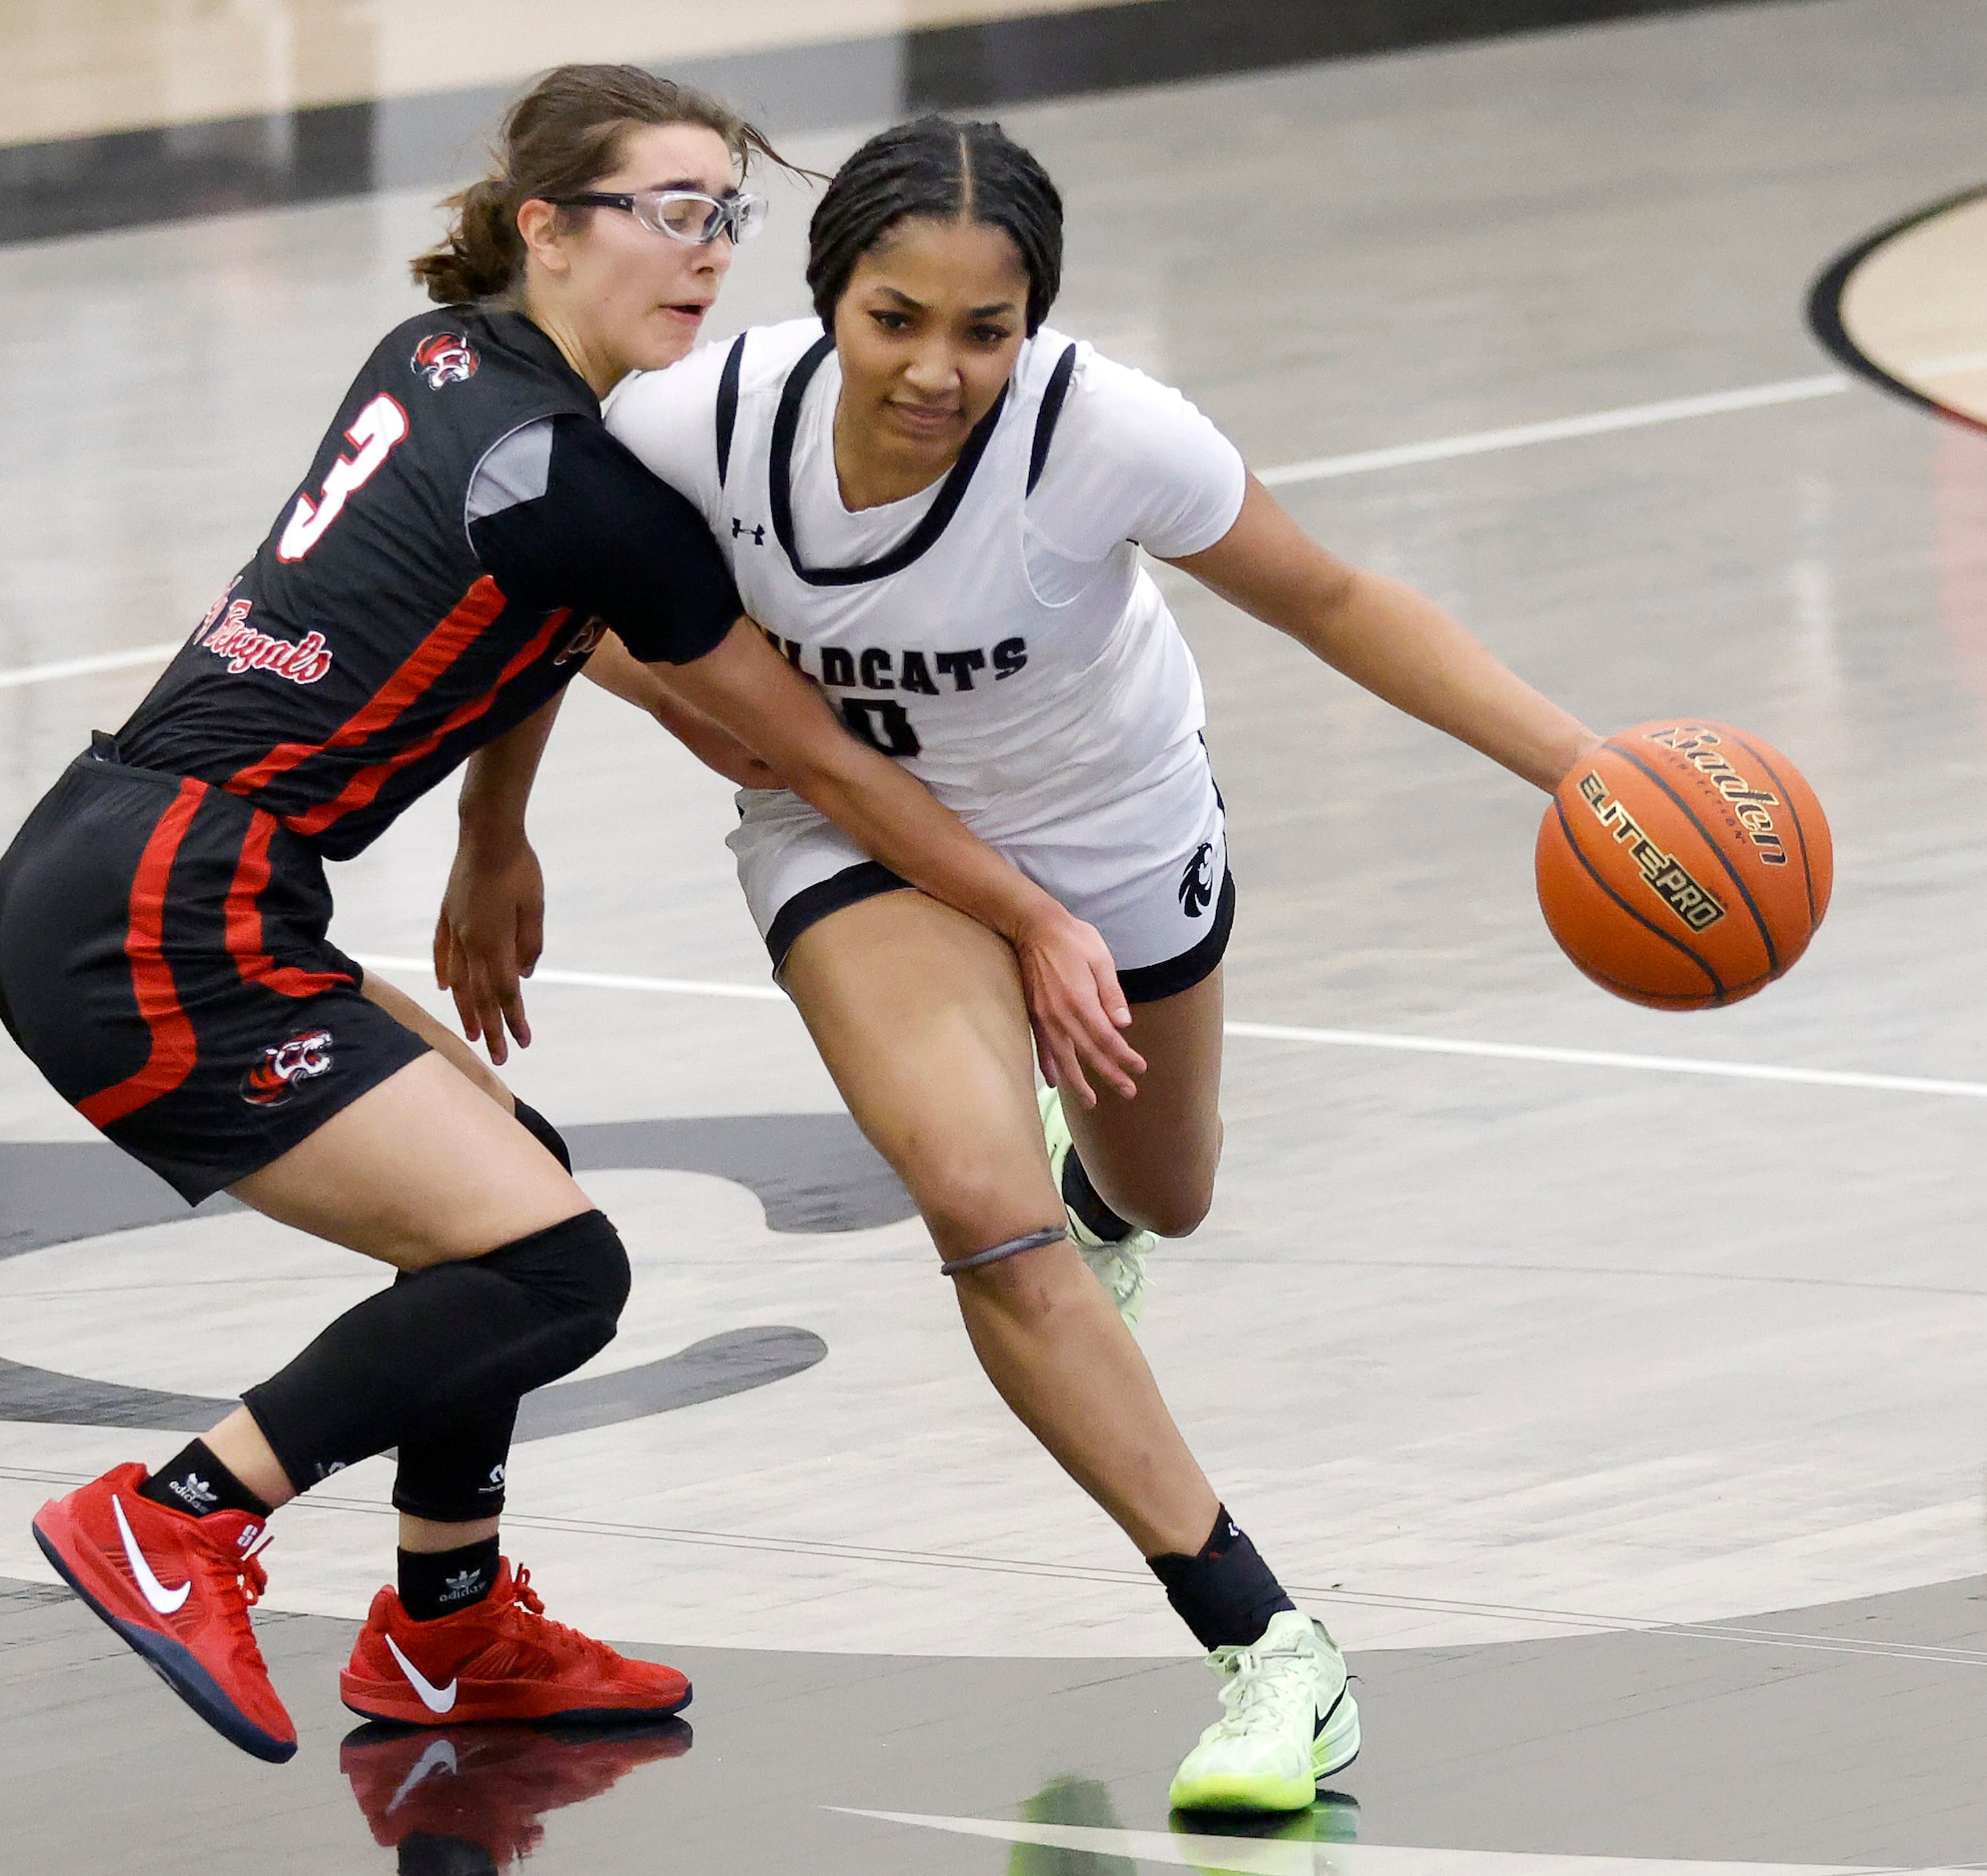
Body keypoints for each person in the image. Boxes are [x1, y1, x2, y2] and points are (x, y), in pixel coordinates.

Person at [0, 70, 1140, 1765]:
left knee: (509, 1163)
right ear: (544, 224)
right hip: (160, 917)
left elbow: (538, 613)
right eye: (668, 213)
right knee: (552, 1264)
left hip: (132, 862)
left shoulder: (441, 362)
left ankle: (445, 1632)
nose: (706, 255)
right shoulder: (584, 485)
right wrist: (1031, 913)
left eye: (725, 220)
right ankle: (179, 1515)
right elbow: (786, 745)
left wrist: (492, 832)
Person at [445, 115, 1600, 1814]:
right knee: (988, 1211)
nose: (936, 368)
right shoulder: (698, 421)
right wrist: (503, 828)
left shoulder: (1112, 436)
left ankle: (1113, 1206)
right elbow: (555, 597)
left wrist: (1587, 773)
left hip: (1112, 823)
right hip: (856, 835)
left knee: (1170, 1186)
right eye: (896, 318)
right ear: (830, 298)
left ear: (1037, 325)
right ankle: (1272, 1649)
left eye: (986, 330)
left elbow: (1338, 601)